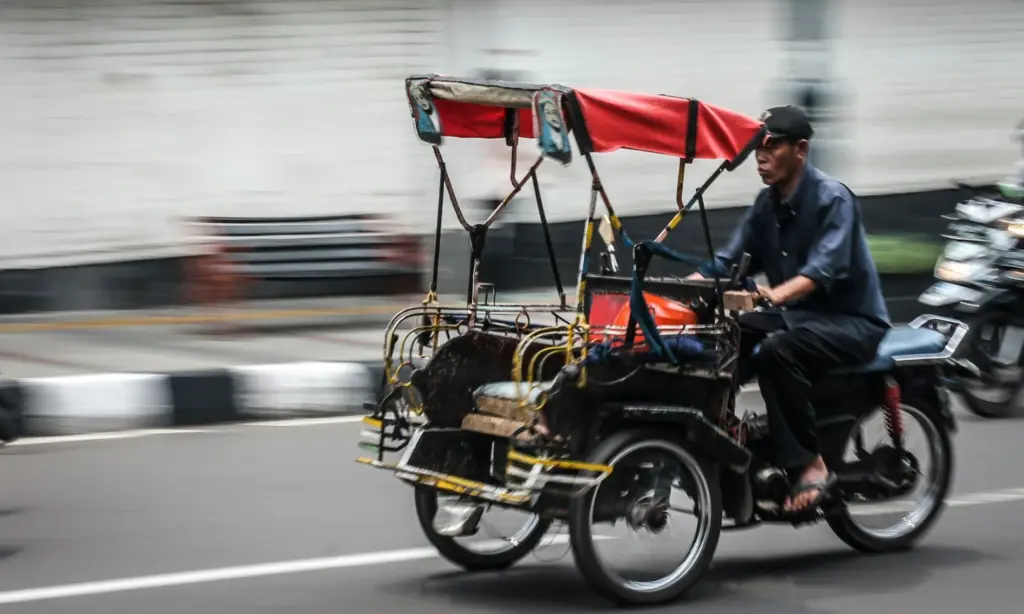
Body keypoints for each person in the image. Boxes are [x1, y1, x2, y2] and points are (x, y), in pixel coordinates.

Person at [691, 105, 891, 513]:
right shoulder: (767, 204)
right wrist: (677, 291)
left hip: (851, 323)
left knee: (779, 351)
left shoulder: (834, 199)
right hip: (799, 319)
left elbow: (822, 271)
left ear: (801, 149)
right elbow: (728, 264)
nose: (761, 157)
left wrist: (771, 295)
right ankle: (723, 430)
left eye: (772, 147)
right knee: (725, 340)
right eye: (757, 149)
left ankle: (809, 464)